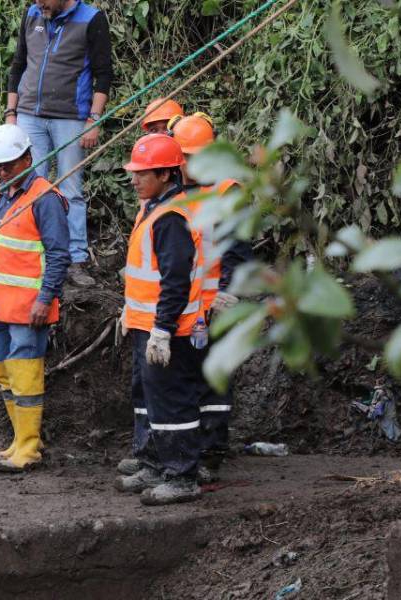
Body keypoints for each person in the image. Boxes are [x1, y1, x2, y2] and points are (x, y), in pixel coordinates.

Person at [0, 124, 71, 472]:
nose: (2, 172)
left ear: (27, 158)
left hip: (29, 308)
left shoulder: (45, 198)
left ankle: (28, 449)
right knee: (5, 373)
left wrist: (46, 298)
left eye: (8, 165)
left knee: (26, 373)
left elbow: (59, 254)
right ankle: (19, 440)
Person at [114, 134, 206, 506]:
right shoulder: (154, 208)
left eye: (143, 173)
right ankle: (153, 462)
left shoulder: (171, 218)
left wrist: (163, 331)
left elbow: (175, 280)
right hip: (145, 323)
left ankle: (182, 475)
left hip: (170, 329)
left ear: (167, 174)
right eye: (133, 173)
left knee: (172, 401)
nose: (134, 180)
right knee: (149, 398)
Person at [5, 0, 113, 287]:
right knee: (30, 187)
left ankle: (76, 259)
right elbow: (18, 65)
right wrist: (11, 113)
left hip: (71, 117)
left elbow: (104, 74)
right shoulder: (31, 13)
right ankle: (34, 254)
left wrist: (94, 119)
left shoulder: (92, 19)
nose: (40, 3)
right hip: (29, 114)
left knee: (71, 188)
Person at [170, 112, 253, 482]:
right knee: (185, 379)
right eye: (184, 158)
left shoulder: (226, 191)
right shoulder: (176, 189)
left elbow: (237, 249)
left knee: (214, 378)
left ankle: (212, 451)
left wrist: (228, 294)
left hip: (215, 301)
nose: (187, 165)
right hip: (184, 302)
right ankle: (188, 450)